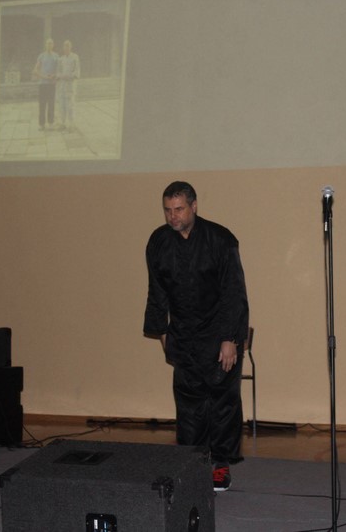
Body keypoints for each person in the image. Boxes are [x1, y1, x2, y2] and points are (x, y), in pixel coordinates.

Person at [144, 181, 249, 491]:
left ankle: (220, 465)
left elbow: (234, 292)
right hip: (183, 336)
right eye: (167, 210)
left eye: (179, 209)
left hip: (219, 335)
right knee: (189, 407)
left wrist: (230, 339)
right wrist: (162, 333)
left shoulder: (221, 239)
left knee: (222, 403)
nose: (173, 216)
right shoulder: (159, 242)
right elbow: (157, 292)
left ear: (194, 206)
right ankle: (192, 464)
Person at [32, 38, 58, 131]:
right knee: (42, 104)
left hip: (52, 84)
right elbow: (35, 71)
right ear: (45, 45)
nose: (49, 45)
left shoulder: (56, 56)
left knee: (51, 104)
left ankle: (51, 123)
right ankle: (41, 124)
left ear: (53, 45)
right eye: (47, 44)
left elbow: (59, 69)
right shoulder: (41, 56)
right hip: (42, 84)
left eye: (51, 43)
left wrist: (54, 75)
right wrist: (44, 77)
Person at [56, 40, 80, 133]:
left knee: (70, 105)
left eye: (68, 46)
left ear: (71, 47)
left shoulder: (75, 57)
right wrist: (61, 76)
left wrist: (69, 76)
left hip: (70, 84)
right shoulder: (61, 59)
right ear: (63, 48)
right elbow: (58, 71)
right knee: (62, 105)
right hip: (62, 85)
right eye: (65, 46)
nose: (66, 48)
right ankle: (62, 123)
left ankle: (71, 125)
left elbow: (77, 71)